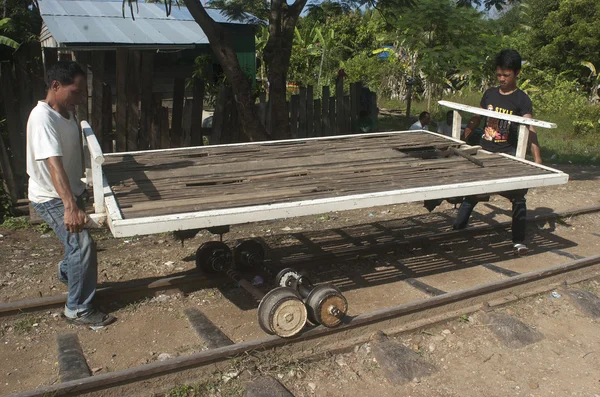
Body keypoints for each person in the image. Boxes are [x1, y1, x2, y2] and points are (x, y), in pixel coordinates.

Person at [27, 61, 115, 327]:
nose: (80, 97)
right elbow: (53, 165)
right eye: (76, 92)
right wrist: (70, 207)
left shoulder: (66, 112)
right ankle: (77, 309)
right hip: (51, 197)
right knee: (82, 245)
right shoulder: (42, 118)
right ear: (56, 86)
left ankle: (68, 270)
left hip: (69, 192)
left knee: (76, 248)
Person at [452, 49, 542, 256]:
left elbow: (530, 128)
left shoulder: (521, 100)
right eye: (499, 74)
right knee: (474, 192)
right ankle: (458, 226)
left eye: (506, 75)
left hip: (506, 156)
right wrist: (461, 138)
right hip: (485, 151)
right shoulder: (490, 94)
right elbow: (476, 118)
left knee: (518, 197)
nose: (501, 79)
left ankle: (518, 241)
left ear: (517, 73)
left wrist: (537, 159)